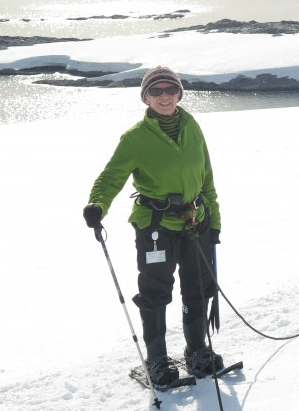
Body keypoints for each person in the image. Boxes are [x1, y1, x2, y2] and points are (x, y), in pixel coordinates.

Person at [83, 66, 224, 387]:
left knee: (198, 287)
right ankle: (158, 359)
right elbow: (111, 177)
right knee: (156, 291)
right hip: (156, 226)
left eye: (170, 90)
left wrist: (214, 221)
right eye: (156, 91)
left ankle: (197, 350)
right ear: (145, 97)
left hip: (195, 222)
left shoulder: (191, 125)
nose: (164, 97)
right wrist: (98, 204)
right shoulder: (135, 138)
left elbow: (207, 179)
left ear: (179, 94)